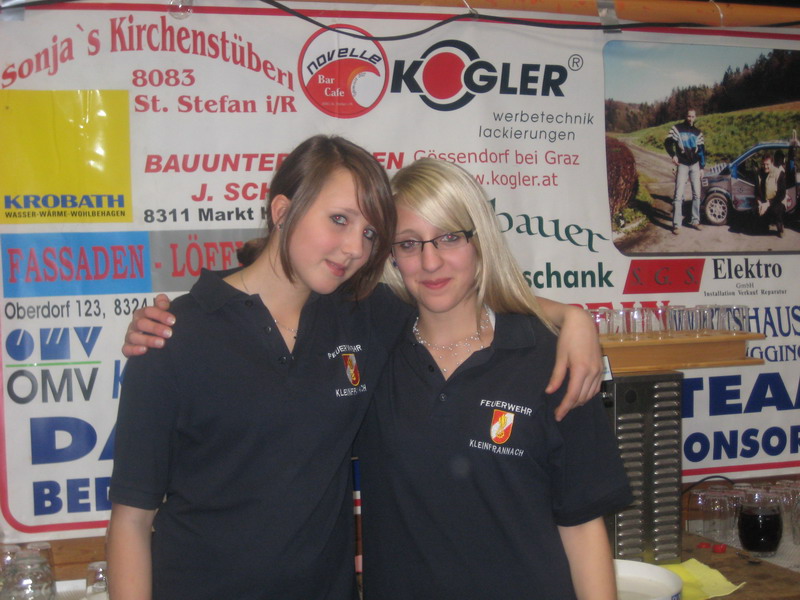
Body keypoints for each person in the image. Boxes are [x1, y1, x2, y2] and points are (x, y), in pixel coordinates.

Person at [111, 136, 604, 599]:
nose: (354, 248)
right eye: (339, 220)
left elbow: (461, 293)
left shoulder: (361, 316)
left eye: (369, 233)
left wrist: (572, 317)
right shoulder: (173, 336)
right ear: (282, 211)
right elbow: (131, 520)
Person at [357, 158, 631, 600]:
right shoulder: (372, 350)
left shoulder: (550, 358)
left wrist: (575, 318)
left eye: (450, 237)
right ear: (390, 254)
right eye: (408, 244)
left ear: (480, 240)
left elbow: (581, 526)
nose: (430, 261)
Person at [665, 108, 705, 234]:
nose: (691, 119)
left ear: (695, 117)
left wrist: (702, 167)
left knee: (697, 194)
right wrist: (673, 155)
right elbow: (667, 143)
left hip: (695, 166)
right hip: (682, 165)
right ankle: (677, 225)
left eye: (693, 116)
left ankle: (695, 220)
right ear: (685, 116)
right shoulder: (677, 129)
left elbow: (702, 151)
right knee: (678, 195)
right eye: (689, 116)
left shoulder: (698, 133)